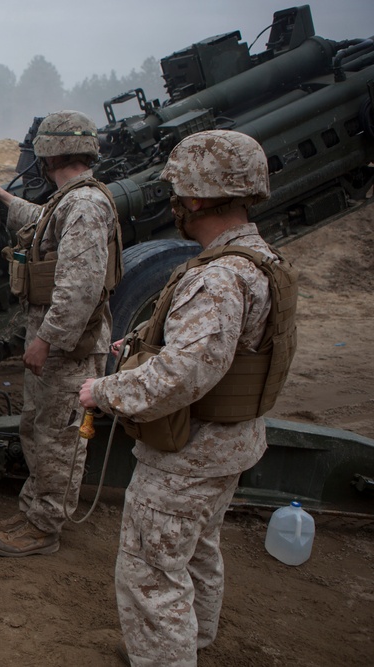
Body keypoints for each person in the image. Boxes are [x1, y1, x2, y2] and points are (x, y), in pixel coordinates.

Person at [79, 130, 297, 666]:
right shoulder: (260, 260)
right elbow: (227, 351)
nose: (172, 202)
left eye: (178, 192)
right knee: (197, 549)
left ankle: (165, 656)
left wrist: (103, 391)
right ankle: (193, 641)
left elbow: (183, 374)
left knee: (151, 571)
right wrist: (143, 341)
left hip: (189, 454)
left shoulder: (219, 278)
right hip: (230, 445)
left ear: (197, 198)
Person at [0, 110, 121, 557]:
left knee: (59, 438)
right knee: (37, 428)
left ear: (47, 154)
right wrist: (3, 197)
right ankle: (32, 509)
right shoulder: (71, 201)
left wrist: (45, 340)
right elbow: (43, 222)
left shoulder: (86, 205)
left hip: (68, 347)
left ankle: (45, 526)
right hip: (57, 342)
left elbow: (79, 287)